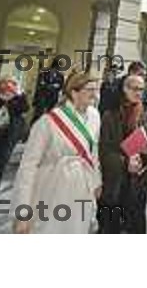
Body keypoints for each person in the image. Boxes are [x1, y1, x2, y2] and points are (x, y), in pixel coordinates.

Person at [11, 72, 102, 234]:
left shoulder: (95, 116)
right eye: (90, 89)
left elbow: (93, 153)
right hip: (51, 188)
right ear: (74, 92)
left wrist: (96, 182)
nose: (95, 95)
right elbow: (28, 167)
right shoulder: (47, 122)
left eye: (97, 89)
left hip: (81, 188)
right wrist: (22, 211)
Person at [99, 74, 147, 234]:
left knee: (136, 225)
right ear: (124, 89)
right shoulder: (110, 115)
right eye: (134, 88)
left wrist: (141, 158)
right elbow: (104, 149)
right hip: (115, 180)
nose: (139, 93)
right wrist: (125, 162)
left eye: (142, 89)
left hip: (139, 181)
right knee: (111, 226)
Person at [31, 57, 64, 124]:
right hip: (42, 98)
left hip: (52, 99)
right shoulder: (44, 73)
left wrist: (49, 86)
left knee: (49, 118)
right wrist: (52, 86)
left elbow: (60, 87)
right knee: (38, 117)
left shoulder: (60, 76)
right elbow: (40, 85)